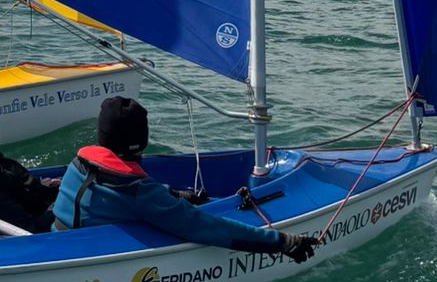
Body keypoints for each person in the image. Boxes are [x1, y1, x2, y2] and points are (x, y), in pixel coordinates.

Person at [51, 96, 320, 262]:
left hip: (57, 240)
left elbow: (118, 202)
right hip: (88, 263)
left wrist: (176, 195)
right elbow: (202, 226)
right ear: (140, 140)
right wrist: (282, 242)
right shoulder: (135, 190)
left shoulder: (78, 165)